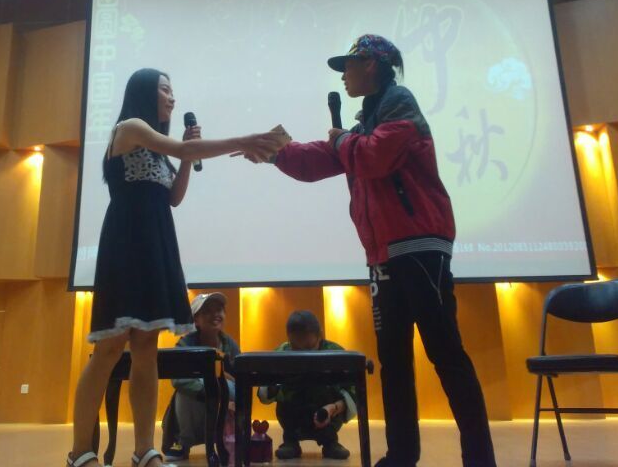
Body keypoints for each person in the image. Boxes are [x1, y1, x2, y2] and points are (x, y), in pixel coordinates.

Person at [250, 35, 497, 467]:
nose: (343, 75)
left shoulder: (399, 103)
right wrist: (275, 153)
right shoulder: (366, 122)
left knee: (445, 354)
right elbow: (322, 159)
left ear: (371, 65)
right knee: (394, 361)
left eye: (347, 65)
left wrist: (342, 141)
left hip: (420, 246)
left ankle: (480, 459)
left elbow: (375, 156)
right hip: (382, 255)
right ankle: (402, 455)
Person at [67, 68, 284, 467]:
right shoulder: (130, 127)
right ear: (144, 92)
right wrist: (240, 141)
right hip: (127, 243)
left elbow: (174, 197)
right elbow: (181, 153)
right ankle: (80, 451)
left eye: (172, 90)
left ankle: (144, 449)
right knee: (110, 348)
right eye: (165, 89)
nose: (172, 97)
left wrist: (187, 157)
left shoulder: (161, 151)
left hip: (157, 244)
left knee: (146, 348)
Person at [258, 310, 354, 461]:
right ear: (289, 339)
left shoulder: (335, 354)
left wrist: (333, 408)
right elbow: (265, 392)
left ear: (320, 335)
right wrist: (275, 385)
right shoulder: (281, 353)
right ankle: (290, 442)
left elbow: (354, 391)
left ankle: (330, 442)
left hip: (327, 414)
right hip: (292, 415)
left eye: (309, 347)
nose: (303, 354)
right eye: (296, 348)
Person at [163, 292, 240, 461]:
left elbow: (240, 382)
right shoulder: (184, 345)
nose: (215, 315)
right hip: (198, 405)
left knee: (230, 388)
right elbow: (178, 379)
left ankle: (228, 442)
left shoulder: (230, 345)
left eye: (219, 310)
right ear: (196, 321)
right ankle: (183, 443)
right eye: (207, 312)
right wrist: (214, 384)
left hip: (225, 407)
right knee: (184, 392)